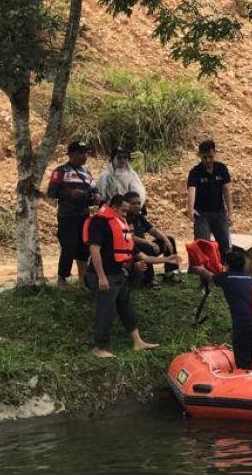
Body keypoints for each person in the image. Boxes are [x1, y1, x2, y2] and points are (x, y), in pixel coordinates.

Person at [82, 193, 160, 358]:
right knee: (106, 309)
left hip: (117, 274)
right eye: (124, 211)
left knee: (126, 305)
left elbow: (140, 255)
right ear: (115, 207)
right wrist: (101, 277)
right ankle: (99, 347)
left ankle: (138, 342)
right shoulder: (99, 222)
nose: (126, 214)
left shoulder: (120, 224)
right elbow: (94, 251)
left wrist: (167, 259)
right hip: (103, 275)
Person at [193, 248, 252, 370]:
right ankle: (248, 373)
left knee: (241, 359)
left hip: (242, 324)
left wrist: (202, 270)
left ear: (227, 266)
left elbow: (211, 277)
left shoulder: (227, 277)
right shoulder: (249, 278)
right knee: (248, 353)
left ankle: (243, 381)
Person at [47, 140, 99, 290]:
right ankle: (62, 279)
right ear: (71, 154)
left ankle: (82, 280)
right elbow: (52, 192)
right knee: (69, 246)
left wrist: (95, 197)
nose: (84, 156)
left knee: (83, 247)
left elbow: (94, 190)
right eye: (80, 153)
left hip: (83, 215)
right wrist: (70, 193)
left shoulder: (86, 173)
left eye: (86, 153)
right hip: (67, 216)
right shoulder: (60, 171)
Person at [187, 140, 233, 254]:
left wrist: (230, 213)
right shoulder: (195, 172)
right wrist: (190, 209)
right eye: (204, 157)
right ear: (199, 156)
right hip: (202, 215)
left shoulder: (221, 169)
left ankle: (225, 269)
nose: (208, 160)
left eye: (210, 157)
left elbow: (226, 191)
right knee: (201, 246)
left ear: (215, 154)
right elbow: (192, 190)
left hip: (219, 212)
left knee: (225, 246)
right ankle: (200, 270)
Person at [126, 192, 180, 286]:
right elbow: (129, 236)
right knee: (145, 247)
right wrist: (148, 242)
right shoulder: (123, 218)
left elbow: (152, 230)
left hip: (144, 247)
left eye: (139, 203)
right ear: (126, 204)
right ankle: (149, 279)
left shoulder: (139, 216)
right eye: (134, 203)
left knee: (169, 240)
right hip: (132, 252)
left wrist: (165, 239)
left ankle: (169, 273)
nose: (137, 206)